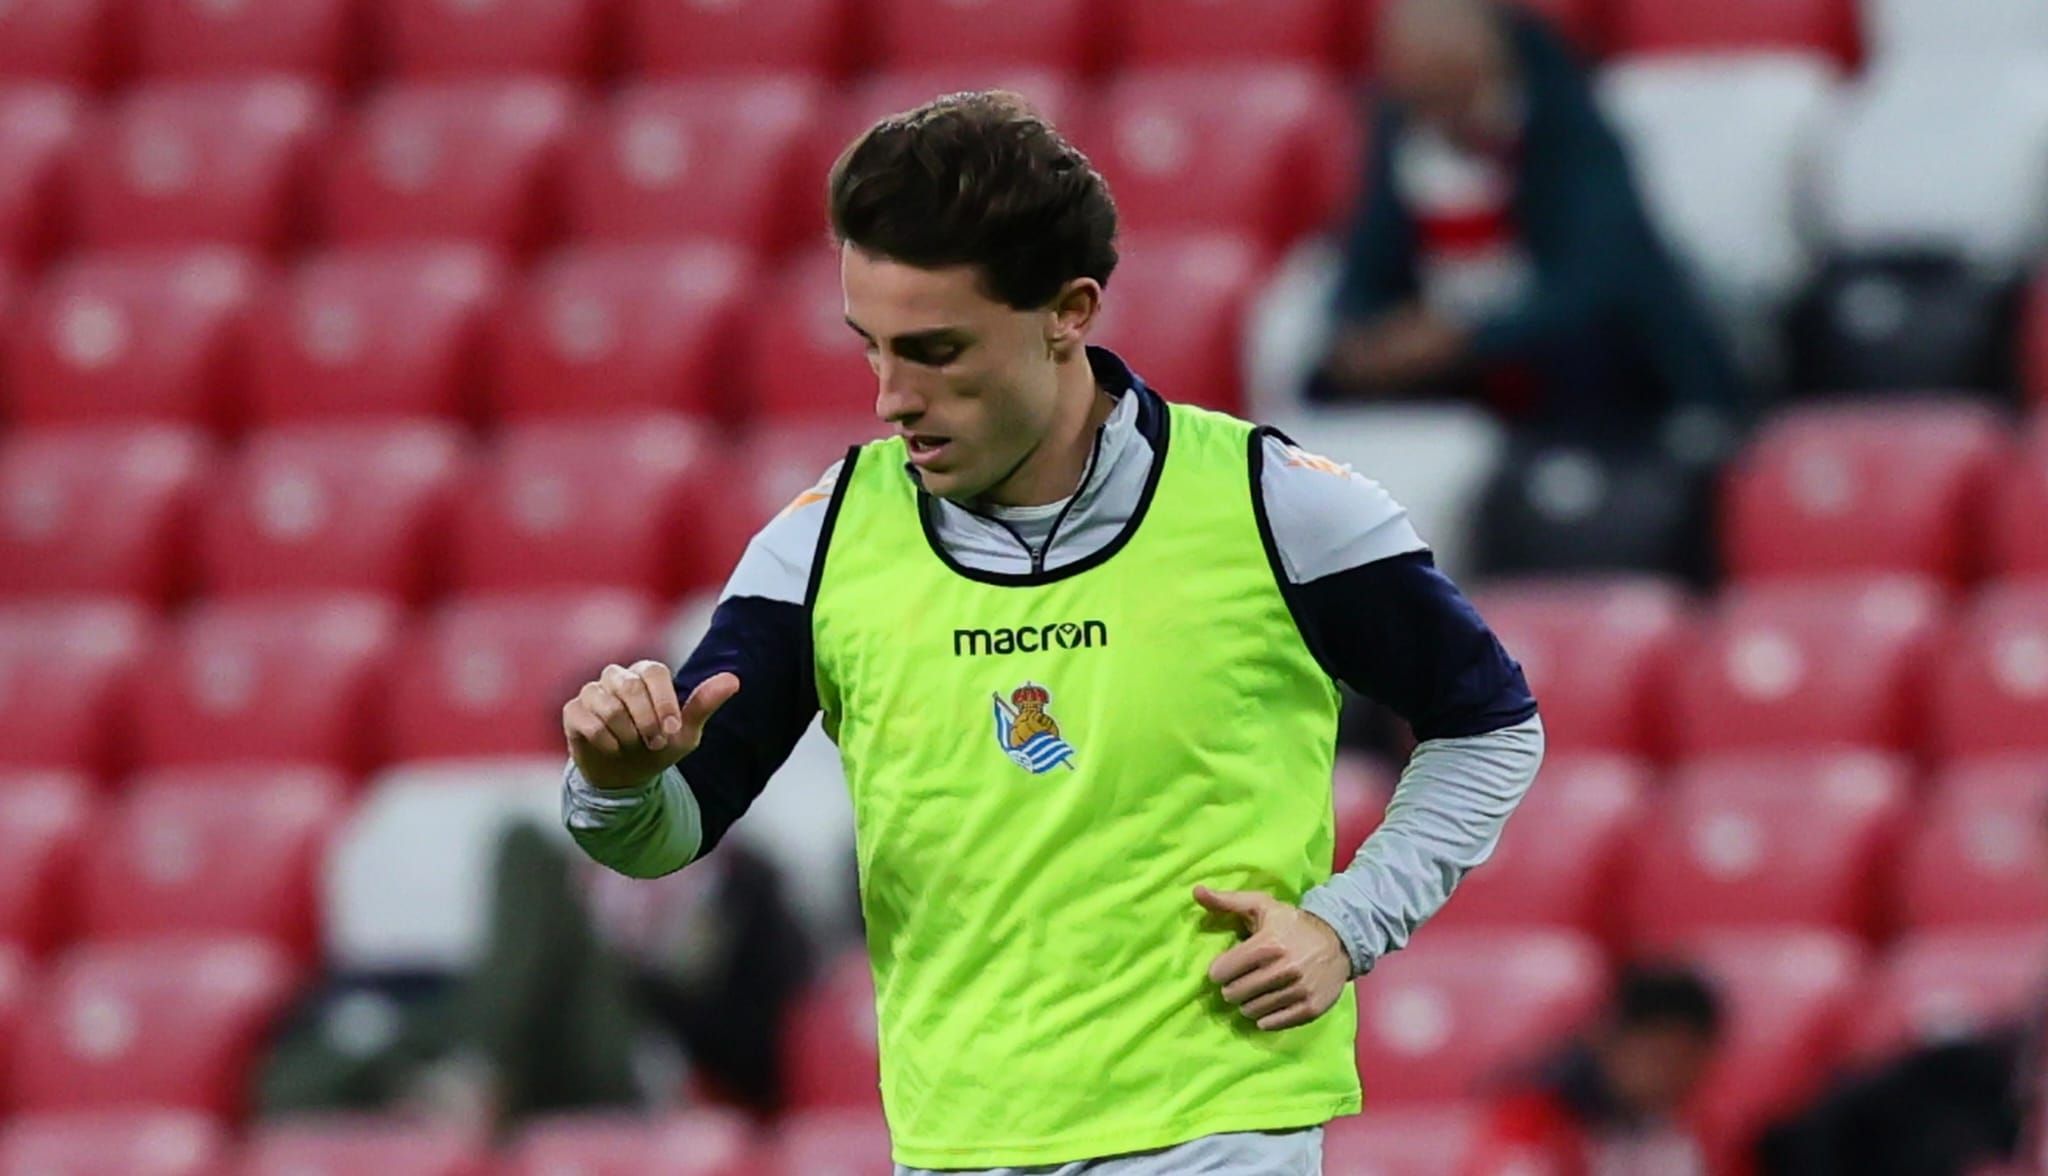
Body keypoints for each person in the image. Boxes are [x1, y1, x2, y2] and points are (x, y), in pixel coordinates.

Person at [560, 91, 1544, 1174]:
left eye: (934, 351)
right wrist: (614, 783)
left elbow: (1489, 721)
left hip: (1213, 1132)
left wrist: (1349, 922)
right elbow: (662, 838)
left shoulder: (1275, 506)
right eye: (870, 349)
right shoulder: (821, 544)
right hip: (955, 1144)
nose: (890, 398)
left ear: (1068, 311)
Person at [1312, 0, 1739, 440]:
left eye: (1450, 83)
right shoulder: (1400, 129)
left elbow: (1598, 284)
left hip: (1612, 395)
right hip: (1466, 400)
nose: (1438, 109)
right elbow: (1366, 262)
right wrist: (1365, 339)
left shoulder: (1569, 128)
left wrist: (1465, 337)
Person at [1465, 964, 1725, 1176]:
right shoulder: (1533, 1128)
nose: (1671, 1075)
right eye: (1659, 1057)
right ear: (1610, 1042)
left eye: (1688, 1060)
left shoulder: (1696, 1135)